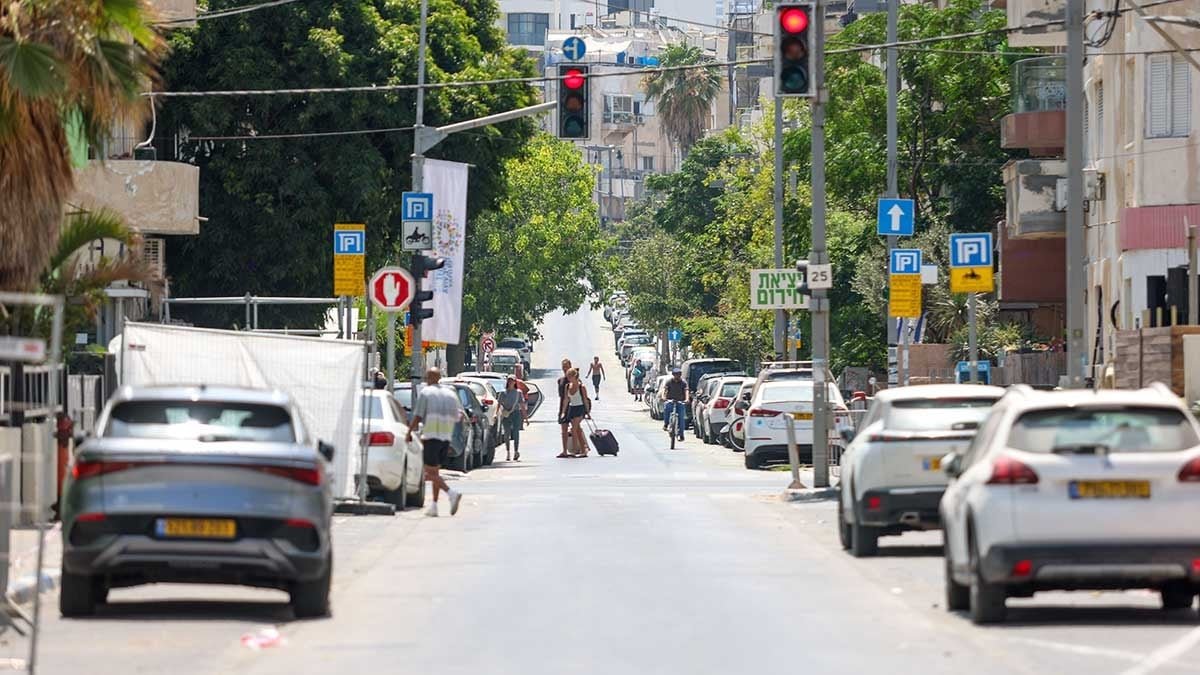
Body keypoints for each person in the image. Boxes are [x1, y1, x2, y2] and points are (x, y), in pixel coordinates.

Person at [406, 367, 464, 517]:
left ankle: (451, 493)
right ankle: (434, 505)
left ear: (430, 378)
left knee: (427, 472)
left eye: (427, 377)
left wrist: (409, 432)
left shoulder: (426, 393)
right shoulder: (450, 394)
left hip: (431, 436)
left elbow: (418, 416)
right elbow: (458, 416)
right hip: (446, 437)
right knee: (435, 472)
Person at [559, 367, 592, 458]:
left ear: (574, 376)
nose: (568, 378)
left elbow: (585, 400)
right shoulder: (567, 386)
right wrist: (563, 412)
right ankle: (583, 450)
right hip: (571, 408)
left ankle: (574, 450)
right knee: (577, 430)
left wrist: (588, 412)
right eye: (568, 376)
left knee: (573, 429)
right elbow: (566, 400)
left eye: (570, 376)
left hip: (580, 408)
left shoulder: (582, 387)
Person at [497, 376, 524, 462]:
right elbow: (499, 404)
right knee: (507, 433)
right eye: (509, 381)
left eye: (512, 381)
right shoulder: (503, 393)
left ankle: (516, 451)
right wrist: (496, 414)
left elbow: (522, 405)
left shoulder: (518, 393)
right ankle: (508, 452)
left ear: (515, 382)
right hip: (506, 414)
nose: (510, 383)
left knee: (516, 433)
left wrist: (525, 417)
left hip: (516, 413)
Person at [660, 366, 688, 443]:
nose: (677, 376)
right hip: (671, 401)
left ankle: (681, 434)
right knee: (666, 408)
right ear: (673, 374)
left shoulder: (683, 382)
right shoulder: (669, 382)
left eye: (678, 374)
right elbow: (665, 390)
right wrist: (663, 397)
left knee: (681, 418)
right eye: (675, 374)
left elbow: (686, 391)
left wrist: (686, 399)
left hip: (680, 402)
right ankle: (666, 424)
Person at [557, 358, 573, 458]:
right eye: (563, 367)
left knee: (576, 429)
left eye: (566, 367)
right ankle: (564, 451)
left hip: (573, 406)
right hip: (562, 406)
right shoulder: (560, 381)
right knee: (564, 430)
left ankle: (579, 448)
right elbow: (561, 395)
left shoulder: (574, 380)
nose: (565, 369)